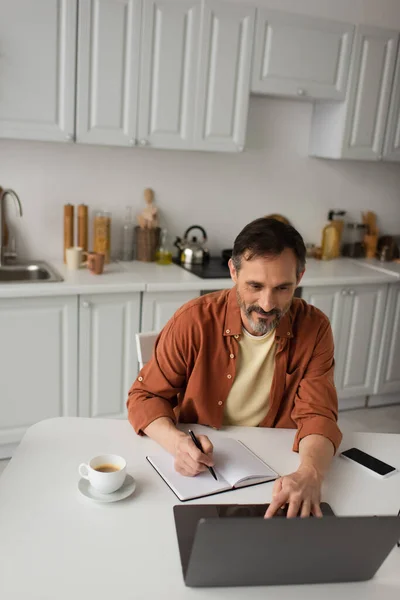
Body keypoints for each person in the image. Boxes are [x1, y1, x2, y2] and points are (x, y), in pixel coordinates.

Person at [127, 218, 342, 518]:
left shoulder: (315, 328)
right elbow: (145, 396)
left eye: (283, 288)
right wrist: (177, 444)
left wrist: (310, 474)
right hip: (200, 473)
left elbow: (318, 415)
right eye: (255, 286)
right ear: (233, 271)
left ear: (300, 277)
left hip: (276, 469)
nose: (267, 304)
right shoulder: (193, 321)